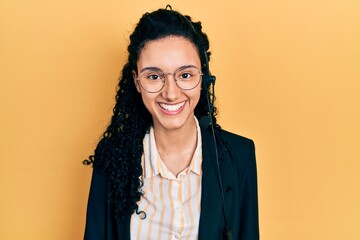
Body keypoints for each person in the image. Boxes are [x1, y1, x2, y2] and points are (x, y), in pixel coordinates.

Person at [84, 5, 259, 240]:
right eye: (154, 76)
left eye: (185, 75)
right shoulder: (112, 157)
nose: (171, 93)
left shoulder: (239, 155)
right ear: (137, 81)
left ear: (203, 77)